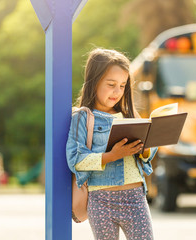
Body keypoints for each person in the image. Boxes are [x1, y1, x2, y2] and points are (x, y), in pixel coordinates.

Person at [66, 48, 157, 240]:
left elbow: (147, 155)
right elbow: (75, 159)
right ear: (95, 81)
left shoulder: (130, 115)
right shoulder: (82, 117)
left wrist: (146, 148)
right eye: (111, 84)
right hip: (101, 200)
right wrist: (112, 155)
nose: (118, 91)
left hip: (135, 197)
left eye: (123, 85)